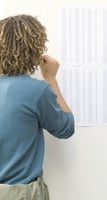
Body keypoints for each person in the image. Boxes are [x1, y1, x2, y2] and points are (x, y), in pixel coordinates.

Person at [0, 14, 75, 199]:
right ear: (35, 50)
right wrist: (51, 79)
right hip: (20, 193)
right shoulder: (36, 91)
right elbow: (66, 128)